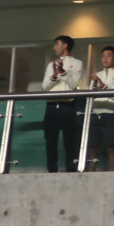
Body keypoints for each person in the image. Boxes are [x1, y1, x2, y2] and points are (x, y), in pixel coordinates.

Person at [41, 35, 85, 173]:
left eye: (57, 44)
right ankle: (51, 170)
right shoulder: (51, 64)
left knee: (69, 141)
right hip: (51, 106)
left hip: (68, 106)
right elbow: (44, 87)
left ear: (65, 45)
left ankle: (71, 170)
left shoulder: (77, 63)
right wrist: (54, 75)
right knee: (50, 141)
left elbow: (73, 85)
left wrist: (62, 72)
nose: (54, 47)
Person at [88, 45, 114, 172]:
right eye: (103, 56)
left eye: (108, 56)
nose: (105, 59)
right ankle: (89, 175)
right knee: (92, 148)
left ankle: (112, 175)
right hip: (95, 114)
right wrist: (95, 84)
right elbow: (89, 95)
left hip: (110, 114)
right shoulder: (97, 75)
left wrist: (103, 86)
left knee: (111, 148)